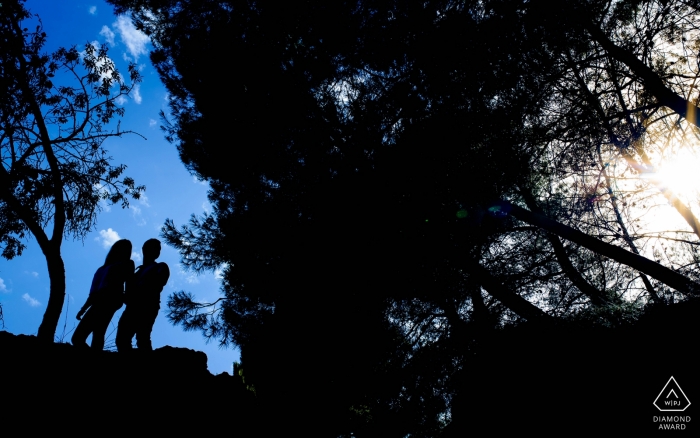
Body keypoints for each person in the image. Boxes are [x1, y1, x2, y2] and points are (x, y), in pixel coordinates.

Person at [72, 239, 134, 350]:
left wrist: (126, 298)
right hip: (99, 301)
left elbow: (129, 282)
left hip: (111, 300)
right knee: (94, 334)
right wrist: (84, 308)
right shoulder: (102, 269)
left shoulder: (127, 264)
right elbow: (93, 292)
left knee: (93, 334)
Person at [116, 238, 170, 352]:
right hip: (132, 307)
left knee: (142, 337)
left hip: (148, 305)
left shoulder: (161, 266)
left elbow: (158, 283)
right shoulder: (136, 272)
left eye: (158, 249)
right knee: (122, 338)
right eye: (153, 247)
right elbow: (128, 293)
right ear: (144, 249)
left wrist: (136, 290)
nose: (157, 251)